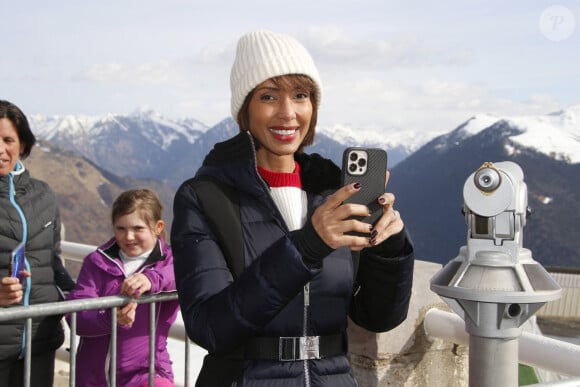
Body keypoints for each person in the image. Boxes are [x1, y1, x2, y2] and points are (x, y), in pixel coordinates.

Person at [171, 30, 415, 387]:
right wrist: (308, 245)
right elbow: (210, 327)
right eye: (269, 96)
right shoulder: (205, 197)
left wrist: (389, 249)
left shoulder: (334, 190)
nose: (288, 113)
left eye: (300, 95)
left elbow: (378, 317)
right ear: (245, 110)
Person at [66, 189, 179, 387]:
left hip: (147, 374)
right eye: (120, 228)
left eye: (138, 228)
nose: (129, 236)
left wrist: (152, 279)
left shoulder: (171, 262)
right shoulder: (96, 262)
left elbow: (186, 274)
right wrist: (110, 318)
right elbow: (76, 317)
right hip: (94, 377)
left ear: (157, 227)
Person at [0, 100, 76, 387]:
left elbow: (52, 262)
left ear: (22, 144)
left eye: (8, 140)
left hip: (40, 341)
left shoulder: (43, 195)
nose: (1, 149)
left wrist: (94, 300)